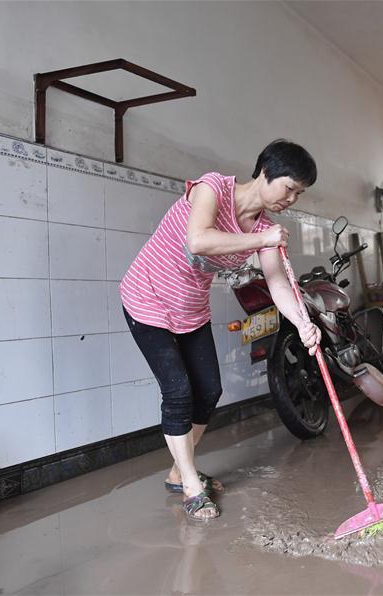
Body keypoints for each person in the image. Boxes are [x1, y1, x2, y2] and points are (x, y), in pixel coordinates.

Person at [120, 139, 321, 520]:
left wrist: (303, 323)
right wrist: (263, 240)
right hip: (147, 300)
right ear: (265, 172)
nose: (292, 199)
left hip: (190, 309)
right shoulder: (214, 188)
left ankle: (180, 470)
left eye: (300, 193)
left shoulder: (264, 228)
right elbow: (199, 239)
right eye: (289, 187)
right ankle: (192, 486)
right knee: (178, 390)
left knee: (209, 390)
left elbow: (278, 285)